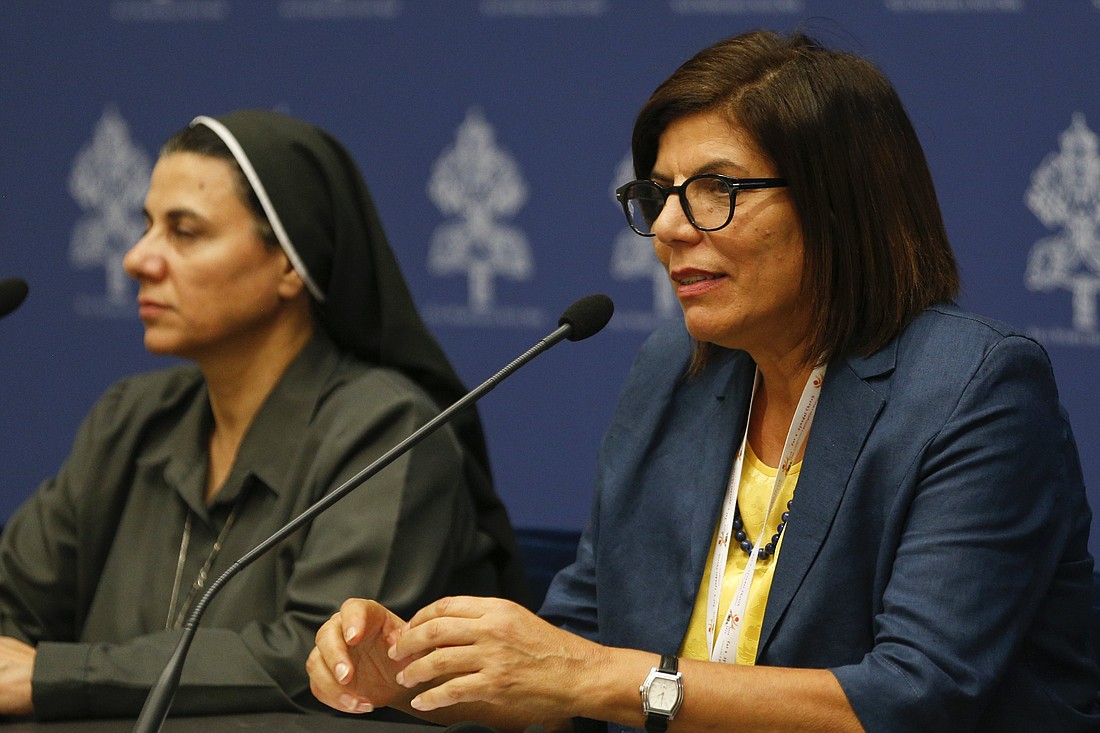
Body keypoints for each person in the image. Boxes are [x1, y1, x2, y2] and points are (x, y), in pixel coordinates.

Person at [306, 29, 1100, 733]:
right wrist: (417, 678)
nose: (672, 228)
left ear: (838, 203)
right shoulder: (675, 373)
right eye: (659, 195)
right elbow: (573, 648)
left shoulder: (973, 388)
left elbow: (914, 698)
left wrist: (591, 675)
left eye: (718, 190)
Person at [0, 109, 526, 721]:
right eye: (147, 227)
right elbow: (13, 605)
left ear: (288, 263)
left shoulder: (387, 430)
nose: (136, 259)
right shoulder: (131, 418)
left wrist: (55, 676)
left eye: (185, 232)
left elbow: (324, 660)